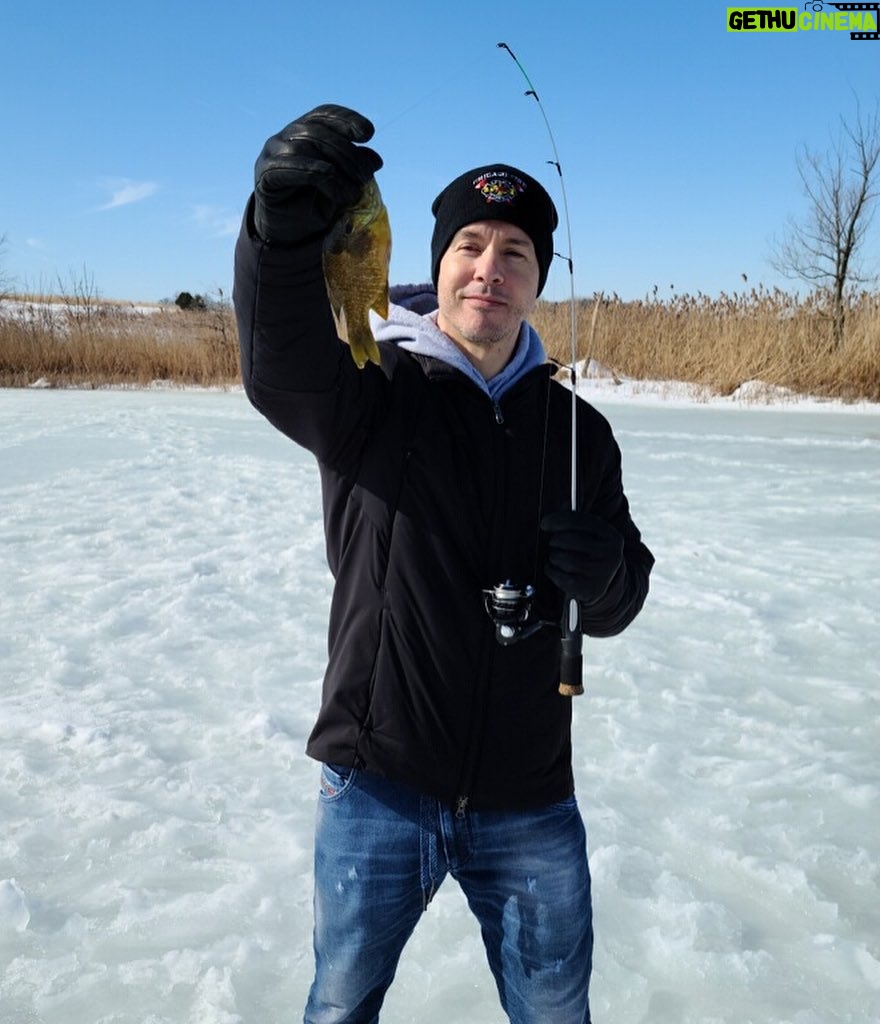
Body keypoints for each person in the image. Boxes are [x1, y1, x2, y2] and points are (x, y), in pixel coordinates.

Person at [232, 104, 654, 1024]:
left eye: (515, 253)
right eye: (470, 245)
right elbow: (279, 365)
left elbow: (626, 595)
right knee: (339, 1005)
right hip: (377, 781)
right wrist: (276, 233)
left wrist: (607, 577)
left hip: (529, 796)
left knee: (555, 1012)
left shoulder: (580, 432)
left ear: (538, 279)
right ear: (437, 263)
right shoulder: (371, 388)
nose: (489, 270)